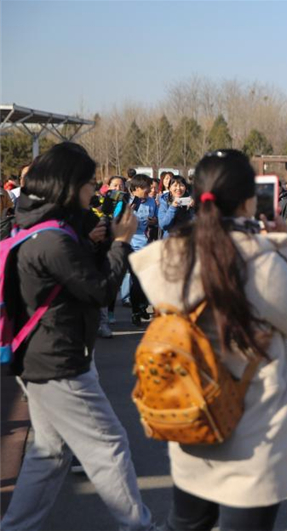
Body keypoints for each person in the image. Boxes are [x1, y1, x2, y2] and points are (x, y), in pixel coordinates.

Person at [130, 149, 287, 531]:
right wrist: (285, 248)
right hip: (253, 432)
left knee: (186, 523)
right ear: (249, 199)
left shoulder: (172, 254)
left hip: (191, 415)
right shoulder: (259, 259)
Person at [1, 142, 152, 531]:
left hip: (40, 358)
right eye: (89, 184)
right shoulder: (54, 239)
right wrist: (119, 243)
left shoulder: (37, 227)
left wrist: (97, 243)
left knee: (49, 453)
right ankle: (139, 526)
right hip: (60, 361)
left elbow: (77, 281)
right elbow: (101, 291)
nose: (94, 191)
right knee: (109, 447)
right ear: (70, 186)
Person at [128, 174, 158, 326]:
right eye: (147, 187)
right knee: (136, 280)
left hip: (147, 244)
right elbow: (118, 220)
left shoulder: (152, 201)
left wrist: (154, 221)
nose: (150, 190)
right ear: (136, 188)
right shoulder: (127, 202)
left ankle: (141, 306)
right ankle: (135, 310)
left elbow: (157, 220)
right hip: (131, 245)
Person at [158, 174, 195, 238]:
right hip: (170, 241)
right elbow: (163, 225)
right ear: (169, 188)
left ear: (185, 187)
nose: (178, 188)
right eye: (175, 185)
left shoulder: (191, 199)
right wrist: (172, 207)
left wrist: (193, 208)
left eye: (181, 185)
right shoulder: (164, 201)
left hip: (187, 240)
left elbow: (197, 224)